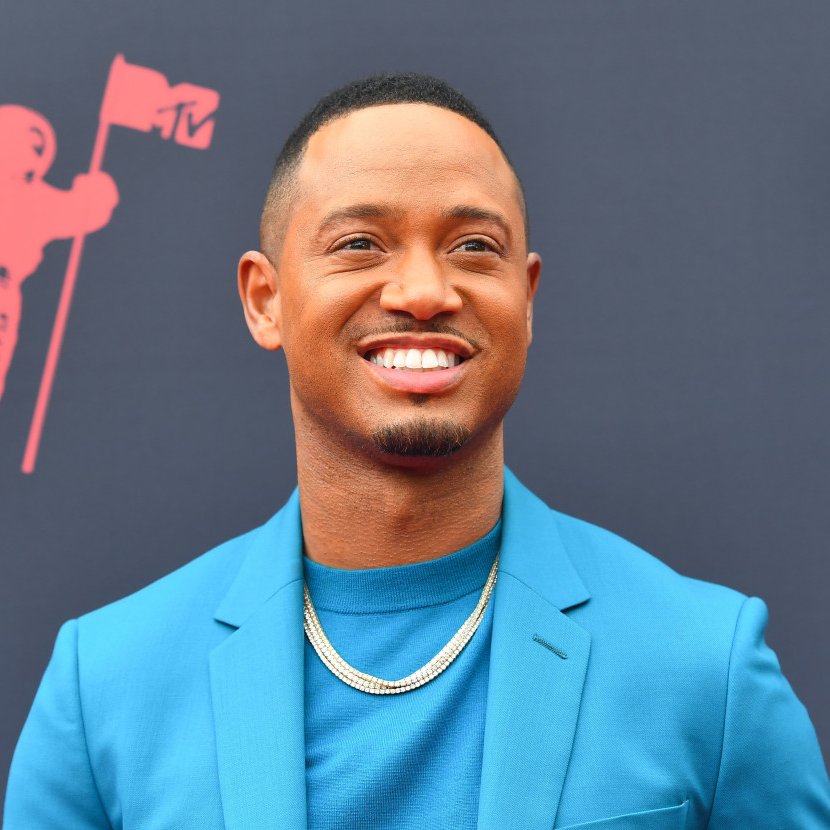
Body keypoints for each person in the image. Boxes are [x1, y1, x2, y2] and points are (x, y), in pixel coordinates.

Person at [4, 73, 829, 829]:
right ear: (266, 299)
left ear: (527, 300)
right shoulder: (104, 686)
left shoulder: (705, 666)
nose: (426, 292)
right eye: (360, 244)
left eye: (474, 248)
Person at [0, 104, 118, 402]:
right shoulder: (24, 196)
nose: (32, 158)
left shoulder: (33, 199)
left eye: (38, 150)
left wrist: (96, 193)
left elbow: (81, 211)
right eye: (27, 145)